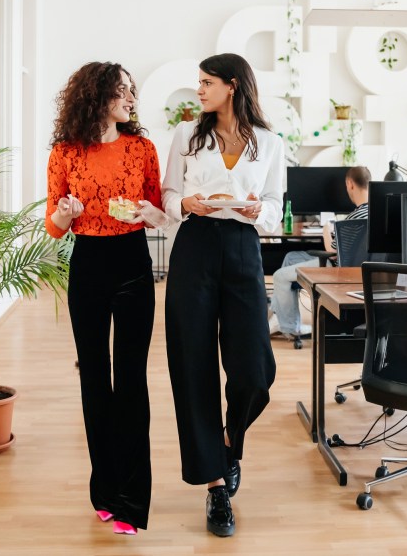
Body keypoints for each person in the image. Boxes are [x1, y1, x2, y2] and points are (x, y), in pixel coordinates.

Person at [161, 53, 283, 538]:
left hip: (243, 248)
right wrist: (186, 203)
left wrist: (258, 213)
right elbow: (169, 195)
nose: (200, 90)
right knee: (192, 365)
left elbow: (274, 205)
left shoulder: (269, 142)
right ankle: (215, 487)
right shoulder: (187, 135)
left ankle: (229, 441)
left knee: (255, 370)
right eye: (199, 82)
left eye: (207, 82)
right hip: (194, 246)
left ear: (232, 86)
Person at [45, 62, 162, 537]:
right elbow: (54, 227)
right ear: (96, 96)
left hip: (133, 263)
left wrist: (148, 212)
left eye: (132, 91)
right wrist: (65, 212)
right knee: (94, 379)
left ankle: (132, 501)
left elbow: (157, 213)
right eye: (122, 91)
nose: (131, 99)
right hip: (88, 265)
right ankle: (104, 491)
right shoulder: (65, 152)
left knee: (131, 380)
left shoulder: (142, 149)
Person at [269, 165, 371, 339]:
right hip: (359, 269)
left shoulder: (354, 217)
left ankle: (290, 328)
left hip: (337, 269)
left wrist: (326, 229)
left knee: (279, 276)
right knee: (290, 257)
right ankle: (283, 316)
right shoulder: (373, 212)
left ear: (350, 184)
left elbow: (332, 251)